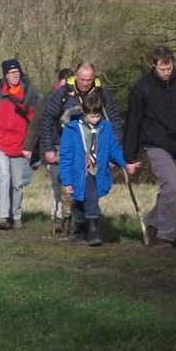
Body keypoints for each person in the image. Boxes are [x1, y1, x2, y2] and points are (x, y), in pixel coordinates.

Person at [124, 45, 176, 249]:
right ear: (154, 65)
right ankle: (165, 237)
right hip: (156, 144)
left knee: (175, 188)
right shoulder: (142, 88)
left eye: (169, 68)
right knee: (170, 185)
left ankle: (152, 222)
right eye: (162, 69)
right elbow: (133, 122)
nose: (167, 72)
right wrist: (130, 156)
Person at [40, 62, 125, 233]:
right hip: (64, 145)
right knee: (66, 186)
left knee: (90, 186)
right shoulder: (63, 94)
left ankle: (86, 225)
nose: (86, 83)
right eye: (82, 79)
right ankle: (65, 219)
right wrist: (48, 148)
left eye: (89, 79)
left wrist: (114, 153)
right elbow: (47, 120)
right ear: (75, 77)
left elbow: (114, 122)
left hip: (94, 150)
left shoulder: (103, 95)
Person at [61, 93, 129, 246]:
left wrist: (126, 163)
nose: (95, 120)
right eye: (92, 117)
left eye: (98, 116)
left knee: (91, 197)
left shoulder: (105, 128)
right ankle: (87, 230)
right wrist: (66, 181)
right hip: (79, 171)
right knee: (81, 200)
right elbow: (66, 156)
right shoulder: (72, 129)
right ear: (84, 114)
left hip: (98, 170)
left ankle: (88, 228)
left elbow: (113, 149)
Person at [0, 58, 41, 230]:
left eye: (17, 73)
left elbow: (34, 121)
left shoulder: (30, 93)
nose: (14, 76)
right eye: (11, 73)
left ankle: (16, 215)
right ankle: (2, 216)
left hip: (20, 143)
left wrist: (29, 146)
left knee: (17, 183)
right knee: (4, 176)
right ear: (5, 75)